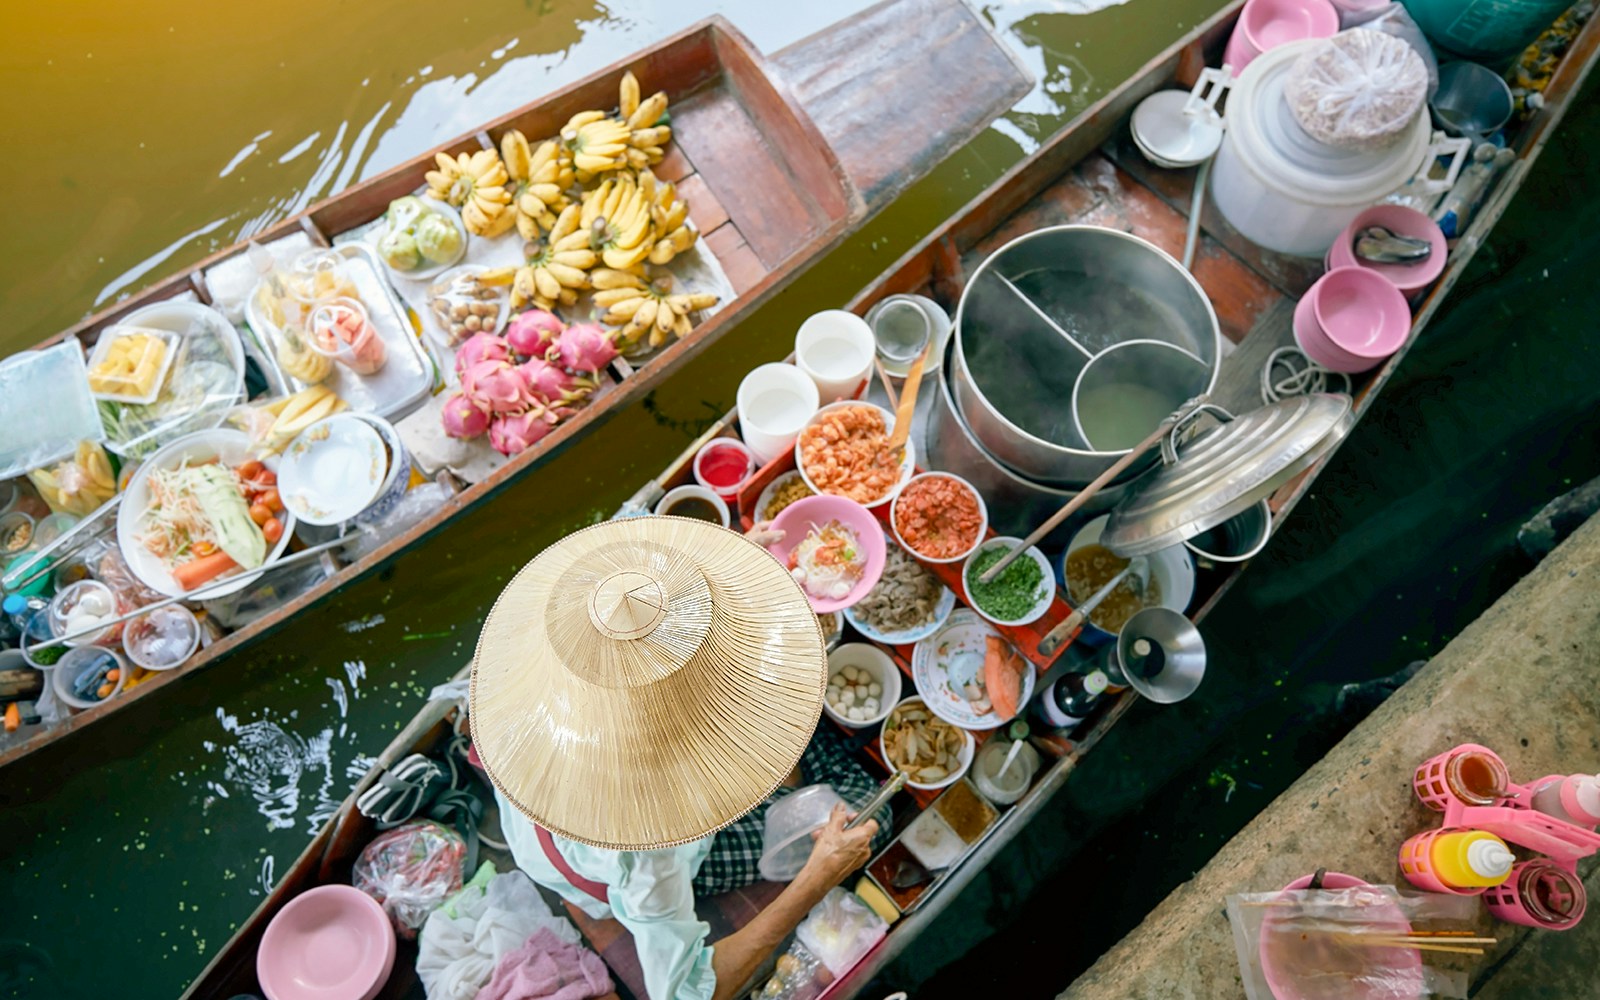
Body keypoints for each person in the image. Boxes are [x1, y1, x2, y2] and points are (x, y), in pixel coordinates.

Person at [473, 515, 894, 1000]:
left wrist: (721, 574)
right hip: (601, 867)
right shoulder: (649, 849)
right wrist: (816, 880)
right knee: (858, 804)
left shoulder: (557, 630)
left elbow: (639, 616)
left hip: (546, 802)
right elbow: (687, 994)